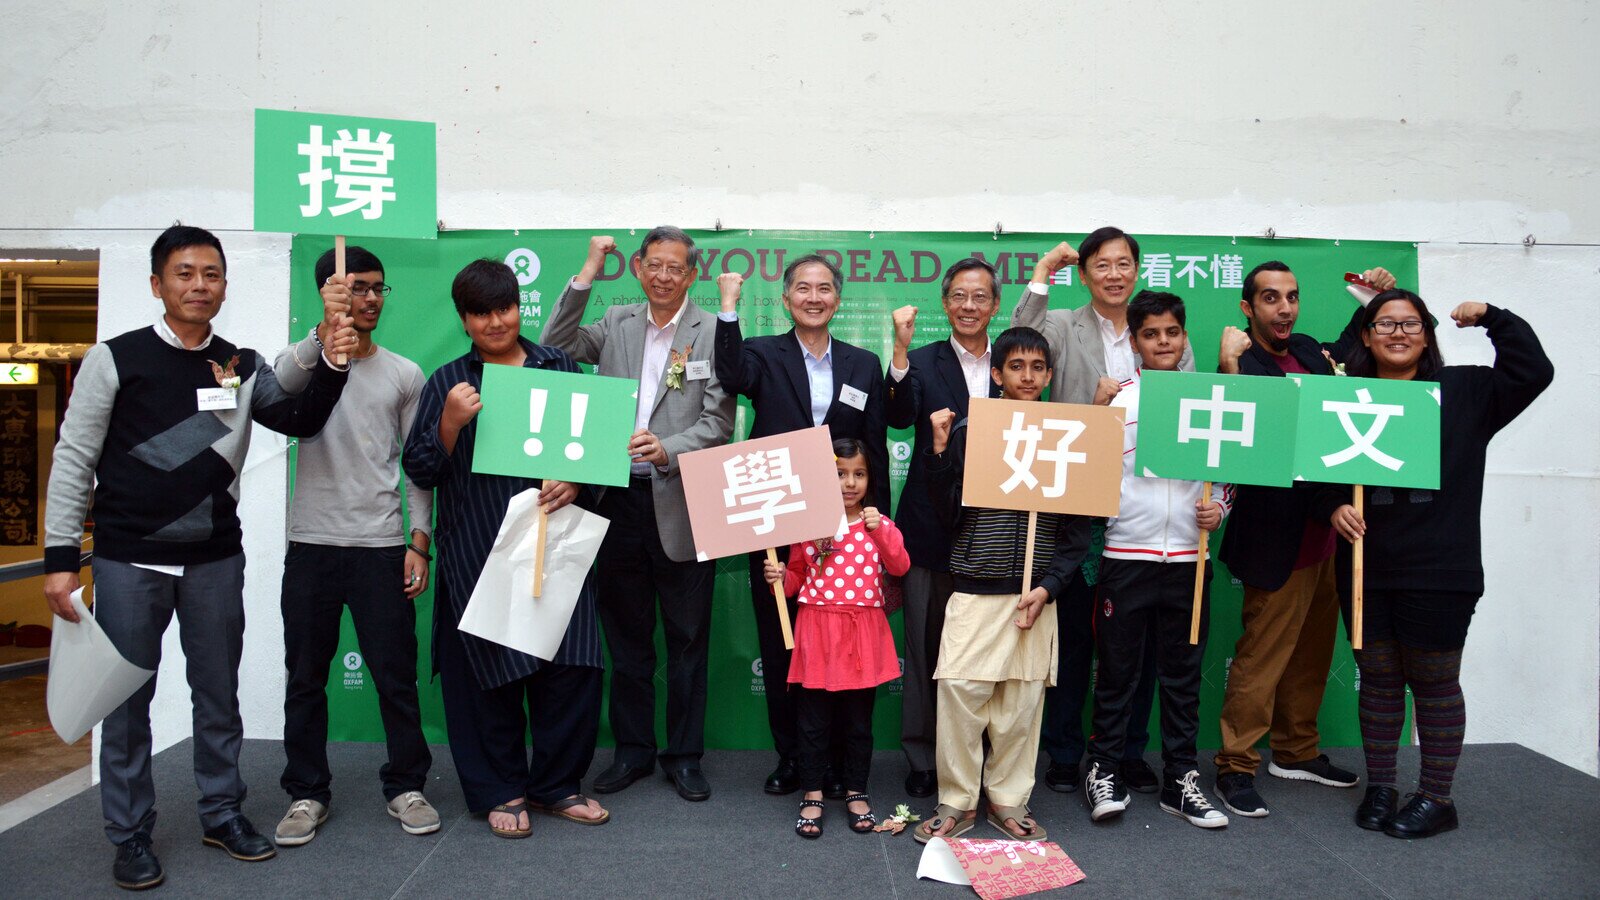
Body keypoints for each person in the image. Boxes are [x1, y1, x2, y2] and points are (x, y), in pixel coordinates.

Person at [41, 225, 355, 890]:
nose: (198, 285)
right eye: (184, 273)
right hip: (129, 559)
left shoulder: (240, 364)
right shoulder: (115, 358)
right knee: (126, 700)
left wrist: (332, 362)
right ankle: (129, 834)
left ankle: (221, 812)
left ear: (223, 285)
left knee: (217, 695)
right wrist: (61, 555)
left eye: (211, 274)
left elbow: (296, 418)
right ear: (157, 284)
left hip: (215, 558)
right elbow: (73, 457)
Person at [1315, 291, 1551, 838]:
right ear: (1367, 336)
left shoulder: (1466, 390)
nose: (1398, 334)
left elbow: (1534, 370)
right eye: (1385, 324)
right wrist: (1332, 506)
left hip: (1441, 568)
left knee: (1434, 682)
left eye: (1410, 324)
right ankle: (1382, 787)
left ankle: (1437, 798)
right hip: (1365, 566)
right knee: (1376, 681)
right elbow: (1318, 472)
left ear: (1428, 334)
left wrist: (1494, 318)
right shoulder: (1349, 396)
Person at [402, 259, 608, 839]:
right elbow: (420, 469)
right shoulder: (447, 381)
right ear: (464, 319)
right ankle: (501, 789)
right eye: (481, 313)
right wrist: (447, 425)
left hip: (557, 542)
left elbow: (593, 455)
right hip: (478, 548)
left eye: (505, 308)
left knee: (570, 667)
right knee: (485, 675)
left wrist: (577, 482)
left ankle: (557, 784)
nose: (496, 322)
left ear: (521, 307)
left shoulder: (559, 365)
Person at [541, 229, 735, 802]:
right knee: (626, 641)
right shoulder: (618, 322)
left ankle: (684, 756)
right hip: (615, 503)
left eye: (676, 268)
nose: (664, 277)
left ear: (692, 274)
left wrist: (668, 448)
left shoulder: (708, 332)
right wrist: (587, 270)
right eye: (655, 265)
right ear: (639, 268)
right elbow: (555, 343)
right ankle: (632, 752)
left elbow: (719, 423)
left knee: (688, 640)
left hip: (683, 503)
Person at [1210, 261, 1394, 817]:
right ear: (1248, 308)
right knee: (1261, 659)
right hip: (1275, 540)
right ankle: (1235, 765)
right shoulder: (1243, 364)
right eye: (1270, 298)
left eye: (1291, 296)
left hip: (1330, 538)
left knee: (1312, 656)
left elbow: (1352, 347)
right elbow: (1241, 440)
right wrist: (1228, 363)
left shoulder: (1313, 351)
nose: (1284, 308)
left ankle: (1296, 749)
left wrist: (1373, 299)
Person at [271, 245, 439, 846]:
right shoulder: (302, 361)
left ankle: (406, 785)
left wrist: (418, 541)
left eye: (377, 288)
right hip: (311, 543)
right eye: (355, 288)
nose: (368, 298)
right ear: (328, 292)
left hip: (379, 544)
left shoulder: (403, 373)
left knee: (395, 675)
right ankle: (306, 793)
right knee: (304, 677)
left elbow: (417, 467)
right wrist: (323, 336)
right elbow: (277, 385)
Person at [1014, 228, 1186, 795]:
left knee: (1134, 646)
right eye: (1101, 266)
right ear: (1084, 274)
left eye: (1124, 264)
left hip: (1144, 507)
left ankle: (1125, 752)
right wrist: (1042, 273)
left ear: (1138, 270)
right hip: (1076, 503)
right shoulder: (1065, 324)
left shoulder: (1160, 334)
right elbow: (1020, 339)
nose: (1114, 274)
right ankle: (1065, 752)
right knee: (1075, 638)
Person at [714, 256, 889, 796]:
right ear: (786, 299)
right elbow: (730, 375)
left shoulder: (862, 363)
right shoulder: (763, 352)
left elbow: (875, 445)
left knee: (841, 645)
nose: (814, 297)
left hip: (844, 528)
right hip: (777, 515)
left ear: (838, 299)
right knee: (782, 642)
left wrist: (873, 526)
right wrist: (727, 308)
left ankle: (837, 765)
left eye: (825, 289)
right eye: (803, 289)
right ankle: (794, 758)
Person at [913, 326, 1091, 845]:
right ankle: (956, 801)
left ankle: (1009, 800)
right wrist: (941, 451)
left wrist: (1050, 586)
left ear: (1050, 374)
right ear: (997, 374)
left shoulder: (1069, 434)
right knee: (961, 698)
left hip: (1034, 595)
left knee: (1019, 707)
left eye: (1038, 367)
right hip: (973, 588)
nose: (1028, 377)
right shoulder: (975, 430)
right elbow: (946, 515)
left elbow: (1077, 534)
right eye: (1016, 367)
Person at [1081, 291, 1232, 829]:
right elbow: (1091, 476)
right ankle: (1103, 772)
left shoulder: (1209, 398)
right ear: (1135, 342)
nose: (1163, 342)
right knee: (1118, 675)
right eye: (1151, 334)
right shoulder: (1117, 401)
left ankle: (1182, 780)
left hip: (1190, 560)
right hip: (1127, 557)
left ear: (1184, 337)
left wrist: (1221, 507)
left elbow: (1231, 469)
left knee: (1182, 677)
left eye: (1171, 333)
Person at [884, 257, 1002, 798]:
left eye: (980, 297)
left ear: (995, 305)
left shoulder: (1014, 363)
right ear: (945, 302)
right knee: (926, 650)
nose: (969, 306)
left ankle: (981, 757)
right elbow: (897, 412)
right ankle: (923, 756)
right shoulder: (924, 361)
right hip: (930, 527)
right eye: (959, 296)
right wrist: (901, 353)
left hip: (995, 532)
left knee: (984, 654)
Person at [765, 438, 910, 838]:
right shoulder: (809, 525)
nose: (850, 483)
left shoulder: (878, 524)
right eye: (840, 474)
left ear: (870, 479)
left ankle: (855, 791)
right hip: (816, 632)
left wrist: (882, 532)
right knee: (812, 722)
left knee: (857, 724)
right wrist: (781, 579)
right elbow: (795, 577)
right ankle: (812, 794)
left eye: (859, 474)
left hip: (862, 635)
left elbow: (900, 564)